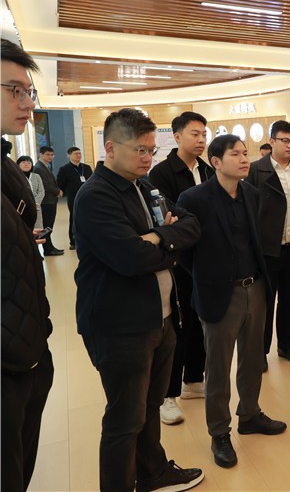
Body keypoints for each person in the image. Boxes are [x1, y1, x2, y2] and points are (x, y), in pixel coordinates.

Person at [74, 108, 204, 491]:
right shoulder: (95, 196)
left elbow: (191, 225)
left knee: (149, 407)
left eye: (151, 150)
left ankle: (152, 473)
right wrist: (167, 244)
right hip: (120, 325)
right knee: (125, 419)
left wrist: (159, 238)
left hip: (159, 317)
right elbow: (131, 259)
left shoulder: (145, 187)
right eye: (140, 150)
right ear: (111, 148)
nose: (148, 158)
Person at [177, 135, 287, 469]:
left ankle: (249, 414)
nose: (244, 159)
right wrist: (207, 278)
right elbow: (184, 251)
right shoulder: (194, 198)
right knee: (218, 366)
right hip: (219, 292)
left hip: (255, 286)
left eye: (245, 153)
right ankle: (219, 432)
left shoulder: (251, 193)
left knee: (253, 359)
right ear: (215, 162)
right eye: (235, 154)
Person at [1, 39, 55, 492]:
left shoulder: (6, 168)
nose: (28, 103)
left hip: (26, 350)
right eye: (14, 90)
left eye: (29, 91)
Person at [148, 111, 214, 425]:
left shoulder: (207, 168)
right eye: (194, 134)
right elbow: (168, 220)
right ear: (176, 137)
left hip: (204, 258)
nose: (201, 140)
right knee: (178, 327)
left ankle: (194, 380)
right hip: (178, 261)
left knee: (202, 321)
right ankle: (167, 395)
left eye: (204, 134)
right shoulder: (161, 173)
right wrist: (188, 226)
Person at [246, 120, 290, 370]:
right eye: (285, 140)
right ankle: (260, 352)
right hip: (268, 250)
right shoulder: (255, 170)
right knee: (265, 305)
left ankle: (286, 346)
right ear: (272, 142)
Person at [57, 145, 93, 249]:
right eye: (76, 154)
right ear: (69, 155)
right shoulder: (64, 169)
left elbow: (92, 180)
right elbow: (60, 184)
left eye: (79, 153)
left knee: (88, 217)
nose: (78, 155)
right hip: (73, 197)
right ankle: (73, 241)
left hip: (87, 196)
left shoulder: (86, 167)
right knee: (74, 217)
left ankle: (88, 239)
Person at [33, 145, 63, 255]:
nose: (50, 157)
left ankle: (49, 246)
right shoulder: (38, 167)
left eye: (52, 155)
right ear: (41, 154)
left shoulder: (45, 166)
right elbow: (44, 185)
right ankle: (47, 248)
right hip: (46, 201)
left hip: (50, 200)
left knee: (48, 226)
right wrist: (57, 191)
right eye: (47, 154)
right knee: (46, 226)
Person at [17, 155, 45, 230]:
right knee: (24, 229)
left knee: (37, 229)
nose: (26, 164)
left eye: (29, 163)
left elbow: (41, 191)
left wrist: (35, 203)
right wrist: (28, 203)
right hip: (22, 206)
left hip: (36, 206)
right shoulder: (16, 177)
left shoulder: (36, 176)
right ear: (18, 164)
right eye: (23, 162)